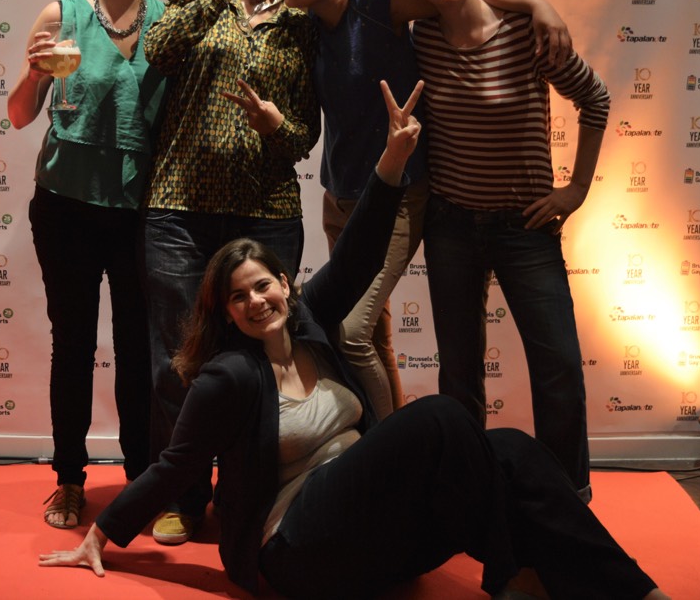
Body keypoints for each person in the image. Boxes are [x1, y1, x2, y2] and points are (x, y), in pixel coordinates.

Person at [39, 81, 667, 600]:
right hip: (297, 552)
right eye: (238, 297)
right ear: (225, 314)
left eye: (263, 286)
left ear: (286, 286)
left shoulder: (311, 323)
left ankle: (636, 591)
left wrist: (392, 160)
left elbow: (360, 252)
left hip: (371, 538)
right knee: (442, 416)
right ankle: (511, 572)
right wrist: (103, 535)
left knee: (513, 450)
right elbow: (176, 464)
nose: (256, 302)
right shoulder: (230, 376)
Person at [171, 0, 573, 422]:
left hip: (396, 195)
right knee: (374, 332)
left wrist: (537, 4)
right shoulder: (303, 17)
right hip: (340, 198)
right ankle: (386, 442)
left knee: (351, 332)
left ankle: (386, 449)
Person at [401, 0, 610, 501]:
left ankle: (567, 499)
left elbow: (595, 101)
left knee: (558, 368)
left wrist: (577, 189)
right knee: (458, 371)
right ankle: (468, 492)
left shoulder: (526, 32)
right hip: (450, 224)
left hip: (525, 226)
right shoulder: (422, 36)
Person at [140, 0, 320, 545]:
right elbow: (159, 49)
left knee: (264, 361)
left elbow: (304, 136)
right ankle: (185, 498)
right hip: (178, 211)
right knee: (177, 363)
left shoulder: (302, 22)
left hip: (265, 215)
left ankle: (250, 496)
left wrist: (276, 125)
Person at [8, 0, 169, 528]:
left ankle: (139, 480)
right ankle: (70, 479)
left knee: (138, 351)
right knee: (72, 344)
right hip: (66, 209)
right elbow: (20, 115)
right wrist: (33, 74)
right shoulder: (63, 15)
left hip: (140, 211)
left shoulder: (170, 22)